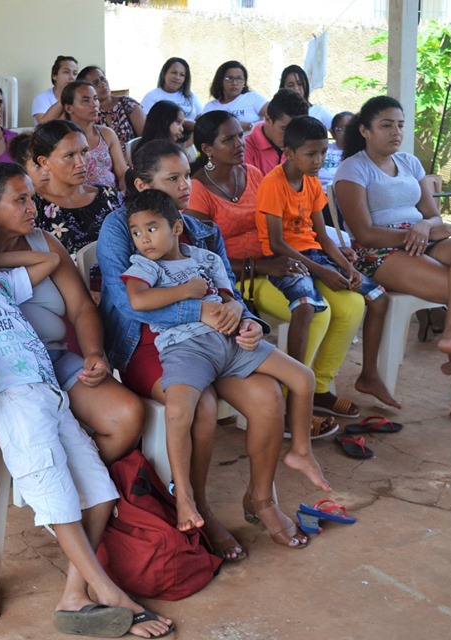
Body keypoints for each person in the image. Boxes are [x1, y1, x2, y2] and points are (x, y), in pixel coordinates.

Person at [0, 207, 171, 638]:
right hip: (15, 402)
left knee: (99, 494)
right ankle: (108, 591)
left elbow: (48, 260)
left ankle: (74, 593)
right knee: (58, 499)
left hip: (51, 393)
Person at [99, 140, 314, 553]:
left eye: (187, 175)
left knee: (269, 395)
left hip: (214, 339)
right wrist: (199, 310)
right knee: (203, 405)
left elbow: (229, 294)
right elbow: (128, 304)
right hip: (147, 342)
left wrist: (245, 321)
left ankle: (261, 500)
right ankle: (198, 507)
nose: (187, 185)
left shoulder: (203, 229)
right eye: (173, 178)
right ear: (143, 185)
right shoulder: (120, 225)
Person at [123, 188, 329, 529]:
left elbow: (230, 298)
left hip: (231, 342)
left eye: (152, 228)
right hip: (186, 349)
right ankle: (185, 497)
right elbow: (138, 301)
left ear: (176, 228)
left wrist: (244, 318)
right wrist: (185, 291)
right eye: (136, 232)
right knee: (178, 412)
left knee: (303, 377)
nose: (143, 239)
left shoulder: (207, 259)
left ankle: (301, 451)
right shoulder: (144, 265)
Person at [335, 96, 451, 433]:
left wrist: (425, 227)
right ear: (365, 130)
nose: (396, 132)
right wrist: (412, 234)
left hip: (422, 240)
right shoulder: (353, 168)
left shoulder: (410, 162)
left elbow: (434, 215)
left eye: (400, 125)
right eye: (386, 125)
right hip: (380, 251)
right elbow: (364, 233)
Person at [187, 110, 361, 425]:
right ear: (207, 149)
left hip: (283, 261)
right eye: (228, 139)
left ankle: (320, 387)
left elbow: (289, 223)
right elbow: (206, 259)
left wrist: (328, 254)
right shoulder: (198, 191)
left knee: (352, 305)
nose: (240, 143)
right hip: (241, 277)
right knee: (316, 313)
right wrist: (265, 266)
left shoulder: (253, 174)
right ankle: (289, 402)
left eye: (240, 136)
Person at [257, 116, 397, 408]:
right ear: (289, 153)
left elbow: (321, 235)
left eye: (323, 152)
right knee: (306, 306)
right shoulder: (273, 183)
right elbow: (276, 243)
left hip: (314, 254)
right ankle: (293, 393)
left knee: (378, 297)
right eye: (311, 154)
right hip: (284, 259)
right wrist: (320, 270)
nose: (319, 160)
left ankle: (360, 376)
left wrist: (347, 267)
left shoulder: (311, 181)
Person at [31, 120, 124, 255]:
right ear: (44, 162)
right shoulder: (33, 207)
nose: (81, 163)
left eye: (84, 151)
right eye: (69, 155)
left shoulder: (109, 196)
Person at [61, 80, 127, 190]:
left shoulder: (107, 134)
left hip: (111, 196)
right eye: (86, 100)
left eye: (95, 99)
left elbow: (122, 174)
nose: (94, 104)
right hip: (78, 196)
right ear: (69, 108)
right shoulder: (61, 139)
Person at [245, 89, 309, 177]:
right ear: (268, 119)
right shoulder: (245, 148)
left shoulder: (302, 146)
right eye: (284, 128)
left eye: (297, 130)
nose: (290, 136)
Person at [78, 66, 145, 147]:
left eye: (103, 79)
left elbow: (146, 137)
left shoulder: (127, 103)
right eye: (95, 83)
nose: (102, 84)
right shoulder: (89, 113)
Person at [201, 61, 267, 133]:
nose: (234, 83)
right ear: (220, 81)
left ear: (244, 82)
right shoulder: (210, 107)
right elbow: (204, 131)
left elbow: (273, 118)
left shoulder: (253, 97)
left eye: (239, 78)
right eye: (229, 78)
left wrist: (250, 126)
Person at [140, 57, 203, 127]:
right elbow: (145, 125)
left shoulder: (192, 96)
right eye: (174, 73)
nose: (177, 77)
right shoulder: (152, 96)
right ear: (164, 73)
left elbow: (203, 120)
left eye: (182, 75)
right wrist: (184, 123)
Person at [278, 64, 334, 130]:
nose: (296, 88)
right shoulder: (277, 113)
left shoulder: (319, 112)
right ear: (283, 88)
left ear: (306, 85)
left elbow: (339, 128)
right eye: (290, 85)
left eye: (300, 84)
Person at [32, 55, 79, 125]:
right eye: (66, 72)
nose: (72, 77)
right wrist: (64, 99)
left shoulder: (78, 98)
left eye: (75, 73)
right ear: (54, 75)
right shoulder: (41, 98)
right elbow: (44, 126)